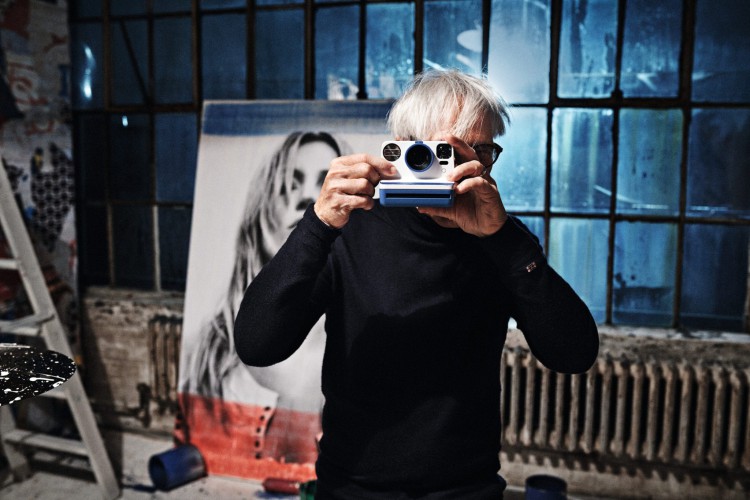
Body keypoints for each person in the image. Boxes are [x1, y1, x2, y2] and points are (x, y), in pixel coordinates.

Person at [233, 69, 599, 499]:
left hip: (465, 488)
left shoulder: (498, 239)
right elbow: (257, 344)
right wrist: (317, 225)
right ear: (404, 150)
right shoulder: (353, 229)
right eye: (447, 153)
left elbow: (574, 353)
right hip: (353, 486)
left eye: (481, 152)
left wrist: (506, 242)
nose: (466, 167)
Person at [181, 131, 348, 466]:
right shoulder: (209, 353)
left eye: (325, 182)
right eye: (289, 184)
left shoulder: (365, 330)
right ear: (261, 206)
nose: (307, 197)